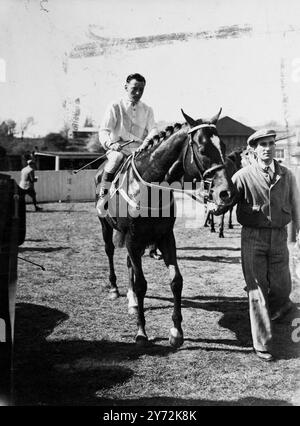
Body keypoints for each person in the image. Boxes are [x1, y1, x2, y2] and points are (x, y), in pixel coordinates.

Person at [231, 129, 300, 362]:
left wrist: (297, 235)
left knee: (282, 287)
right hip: (253, 238)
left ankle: (277, 310)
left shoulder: (287, 175)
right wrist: (214, 205)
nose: (267, 148)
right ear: (254, 149)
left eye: (271, 143)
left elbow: (295, 205)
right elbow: (225, 199)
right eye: (262, 144)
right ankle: (262, 343)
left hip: (279, 238)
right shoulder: (242, 176)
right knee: (257, 291)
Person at [96, 73, 158, 213]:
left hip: (140, 150)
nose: (138, 93)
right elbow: (103, 130)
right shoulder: (115, 105)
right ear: (125, 87)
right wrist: (111, 144)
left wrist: (144, 145)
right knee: (116, 158)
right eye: (134, 88)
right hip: (118, 148)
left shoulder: (148, 109)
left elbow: (153, 129)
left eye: (141, 89)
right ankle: (103, 195)